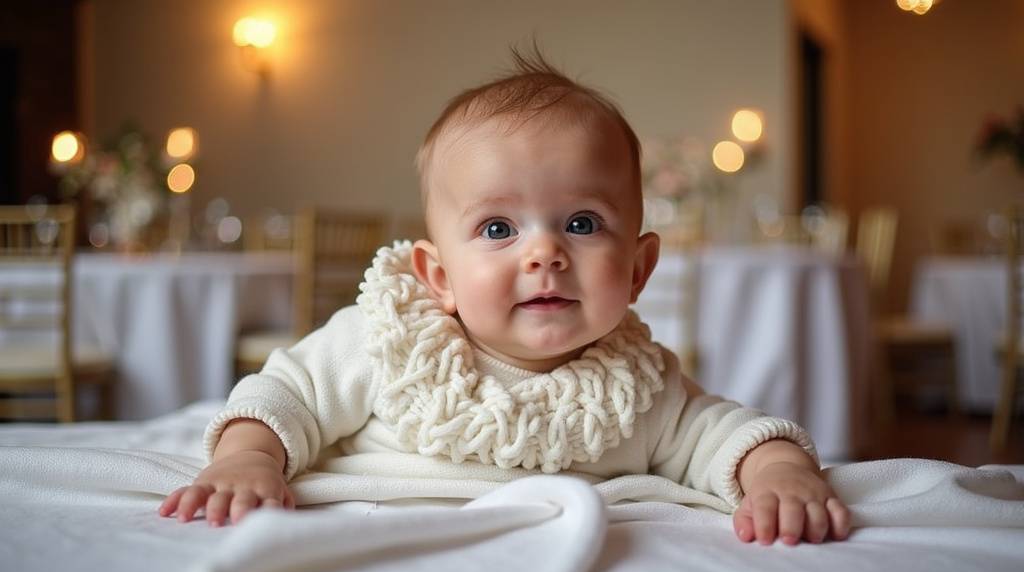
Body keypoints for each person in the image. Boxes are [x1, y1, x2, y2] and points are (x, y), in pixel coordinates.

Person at [160, 50, 850, 546]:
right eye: (498, 228)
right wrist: (249, 457)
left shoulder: (639, 384)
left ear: (638, 268)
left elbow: (720, 433)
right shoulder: (390, 341)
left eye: (583, 223)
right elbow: (286, 395)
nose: (544, 252)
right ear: (439, 277)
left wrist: (779, 471)